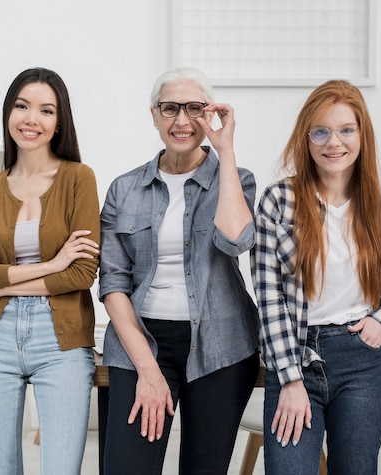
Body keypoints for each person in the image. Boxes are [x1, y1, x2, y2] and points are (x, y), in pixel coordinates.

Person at [99, 66, 260, 474]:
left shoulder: (236, 178)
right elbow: (113, 280)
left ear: (210, 115)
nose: (182, 121)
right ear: (154, 115)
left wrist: (226, 151)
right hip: (142, 340)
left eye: (194, 109)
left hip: (219, 342)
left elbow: (237, 240)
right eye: (170, 109)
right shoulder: (125, 188)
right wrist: (148, 369)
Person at [253, 79, 381, 474]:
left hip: (360, 360)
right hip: (296, 358)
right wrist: (290, 379)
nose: (333, 142)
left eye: (345, 130)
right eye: (320, 131)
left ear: (362, 136)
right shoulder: (279, 201)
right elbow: (268, 295)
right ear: (305, 139)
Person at [0, 67, 101, 474]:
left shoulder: (78, 179)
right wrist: (53, 264)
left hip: (62, 342)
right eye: (22, 106)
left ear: (59, 123)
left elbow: (83, 273)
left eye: (45, 110)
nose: (31, 119)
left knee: (60, 469)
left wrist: (0, 286)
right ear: (8, 114)